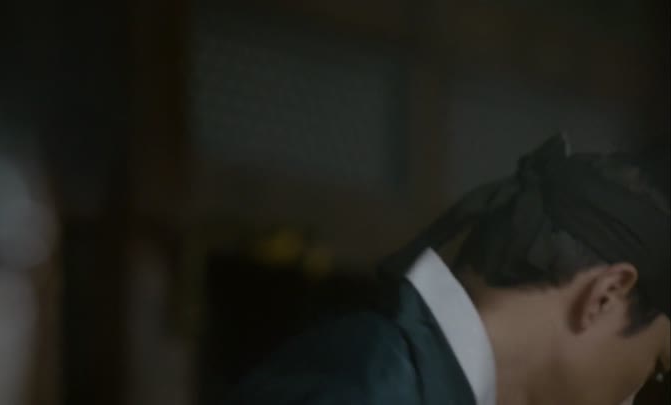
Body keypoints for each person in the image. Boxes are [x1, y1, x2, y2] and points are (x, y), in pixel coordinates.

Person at [222, 136, 670, 405]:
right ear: (605, 295)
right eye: (657, 366)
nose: (631, 400)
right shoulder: (370, 389)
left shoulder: (396, 371)